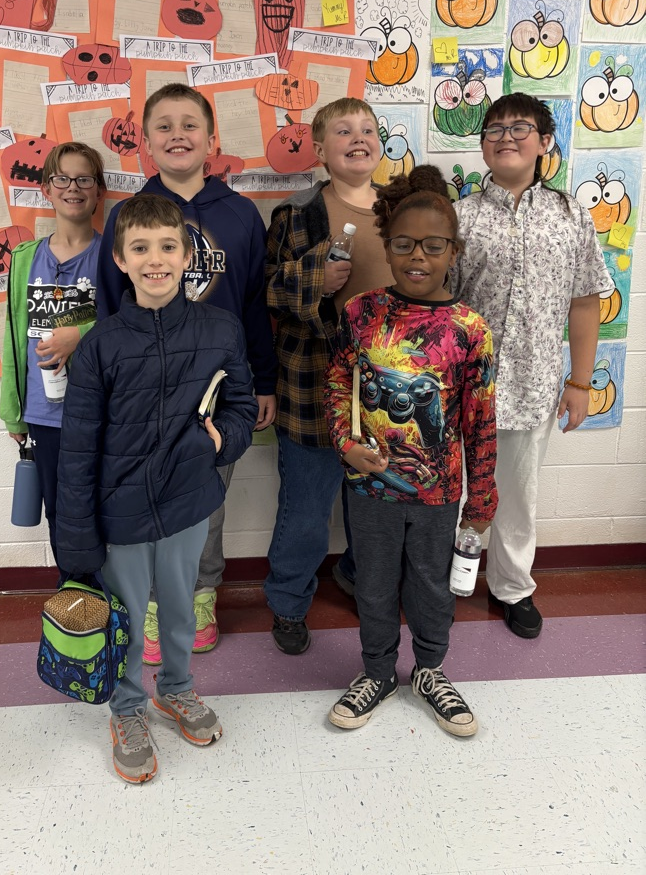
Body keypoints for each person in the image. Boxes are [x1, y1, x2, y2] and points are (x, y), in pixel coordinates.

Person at [55, 193, 258, 784]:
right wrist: (76, 540)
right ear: (119, 259)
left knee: (177, 611)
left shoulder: (221, 329)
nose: (155, 260)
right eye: (140, 248)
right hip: (118, 513)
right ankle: (127, 709)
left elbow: (242, 405)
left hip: (189, 502)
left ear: (186, 253)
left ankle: (176, 688)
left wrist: (218, 444)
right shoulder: (100, 346)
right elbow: (76, 451)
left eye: (167, 247)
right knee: (122, 616)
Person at [97, 83, 276, 662]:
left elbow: (254, 304)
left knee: (206, 498)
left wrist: (264, 379)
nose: (178, 135)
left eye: (190, 125)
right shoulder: (125, 215)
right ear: (145, 142)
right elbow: (106, 303)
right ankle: (150, 601)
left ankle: (201, 595)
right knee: (142, 493)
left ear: (211, 137)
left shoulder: (241, 214)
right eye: (164, 126)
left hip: (215, 390)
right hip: (140, 389)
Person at [324, 166, 497, 735]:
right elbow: (336, 387)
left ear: (454, 251)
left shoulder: (470, 329)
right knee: (371, 581)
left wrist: (481, 499)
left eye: (432, 245)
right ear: (388, 247)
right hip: (369, 487)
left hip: (438, 491)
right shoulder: (362, 313)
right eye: (403, 244)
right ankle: (376, 670)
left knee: (430, 582)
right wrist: (346, 446)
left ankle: (429, 669)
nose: (416, 256)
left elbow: (479, 420)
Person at [454, 94, 612, 640]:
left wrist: (579, 382)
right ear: (481, 146)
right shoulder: (460, 217)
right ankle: (439, 582)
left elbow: (585, 301)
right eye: (493, 129)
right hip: (460, 388)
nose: (505, 137)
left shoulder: (572, 215)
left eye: (519, 128)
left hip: (534, 383)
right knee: (450, 490)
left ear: (546, 142)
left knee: (517, 492)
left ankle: (512, 587)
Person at [264, 97, 396, 654]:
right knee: (306, 509)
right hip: (313, 384)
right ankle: (289, 602)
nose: (358, 138)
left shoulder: (403, 209)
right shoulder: (296, 214)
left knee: (378, 502)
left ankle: (360, 576)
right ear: (320, 150)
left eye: (368, 129)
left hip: (388, 388)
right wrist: (316, 278)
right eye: (343, 131)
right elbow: (270, 291)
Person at [0, 141, 105, 568]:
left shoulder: (112, 256)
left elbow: (125, 322)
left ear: (98, 190)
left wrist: (78, 334)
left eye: (84, 179)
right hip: (46, 415)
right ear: (46, 188)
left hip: (101, 409)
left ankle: (114, 597)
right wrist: (13, 413)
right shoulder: (25, 259)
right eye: (62, 178)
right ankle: (74, 597)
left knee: (103, 507)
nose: (73, 188)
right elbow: (12, 339)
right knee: (61, 512)